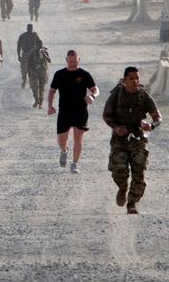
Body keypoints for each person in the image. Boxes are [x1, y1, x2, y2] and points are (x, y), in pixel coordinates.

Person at [102, 66, 162, 215]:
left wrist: (151, 125)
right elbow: (106, 115)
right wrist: (115, 128)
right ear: (124, 80)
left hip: (138, 138)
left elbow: (158, 117)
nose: (135, 81)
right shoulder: (117, 95)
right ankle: (122, 188)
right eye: (131, 78)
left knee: (139, 171)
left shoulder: (144, 96)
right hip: (120, 139)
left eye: (137, 78)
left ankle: (132, 203)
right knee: (118, 169)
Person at [47, 50, 98, 174]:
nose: (72, 63)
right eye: (70, 61)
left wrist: (92, 96)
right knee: (61, 139)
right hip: (64, 111)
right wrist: (50, 106)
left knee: (78, 136)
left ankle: (74, 164)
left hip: (80, 111)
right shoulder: (59, 74)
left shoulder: (84, 74)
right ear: (66, 60)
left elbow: (95, 89)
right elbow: (52, 91)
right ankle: (64, 151)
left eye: (75, 61)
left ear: (78, 60)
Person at [26, 38, 51, 108]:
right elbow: (28, 63)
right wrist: (29, 72)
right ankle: (36, 100)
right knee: (34, 87)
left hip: (43, 72)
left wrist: (44, 55)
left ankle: (40, 103)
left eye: (41, 45)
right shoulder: (32, 52)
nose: (40, 46)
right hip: (34, 72)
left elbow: (49, 60)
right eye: (38, 45)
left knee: (41, 88)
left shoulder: (45, 52)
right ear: (36, 45)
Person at [16, 23, 40, 88]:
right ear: (27, 28)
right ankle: (24, 79)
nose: (30, 29)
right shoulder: (23, 36)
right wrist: (18, 55)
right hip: (25, 54)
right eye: (29, 28)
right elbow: (18, 46)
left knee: (32, 68)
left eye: (31, 28)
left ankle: (31, 82)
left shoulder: (35, 35)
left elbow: (39, 44)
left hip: (33, 54)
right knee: (23, 68)